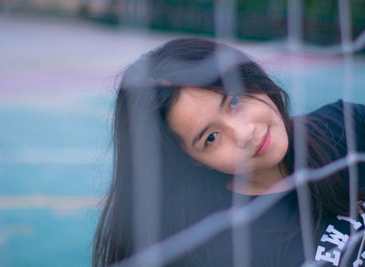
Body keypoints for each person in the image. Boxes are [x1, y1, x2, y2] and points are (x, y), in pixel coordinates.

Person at [93, 38, 365, 266]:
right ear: (194, 161)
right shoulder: (224, 247)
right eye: (211, 138)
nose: (244, 133)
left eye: (234, 100)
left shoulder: (342, 127)